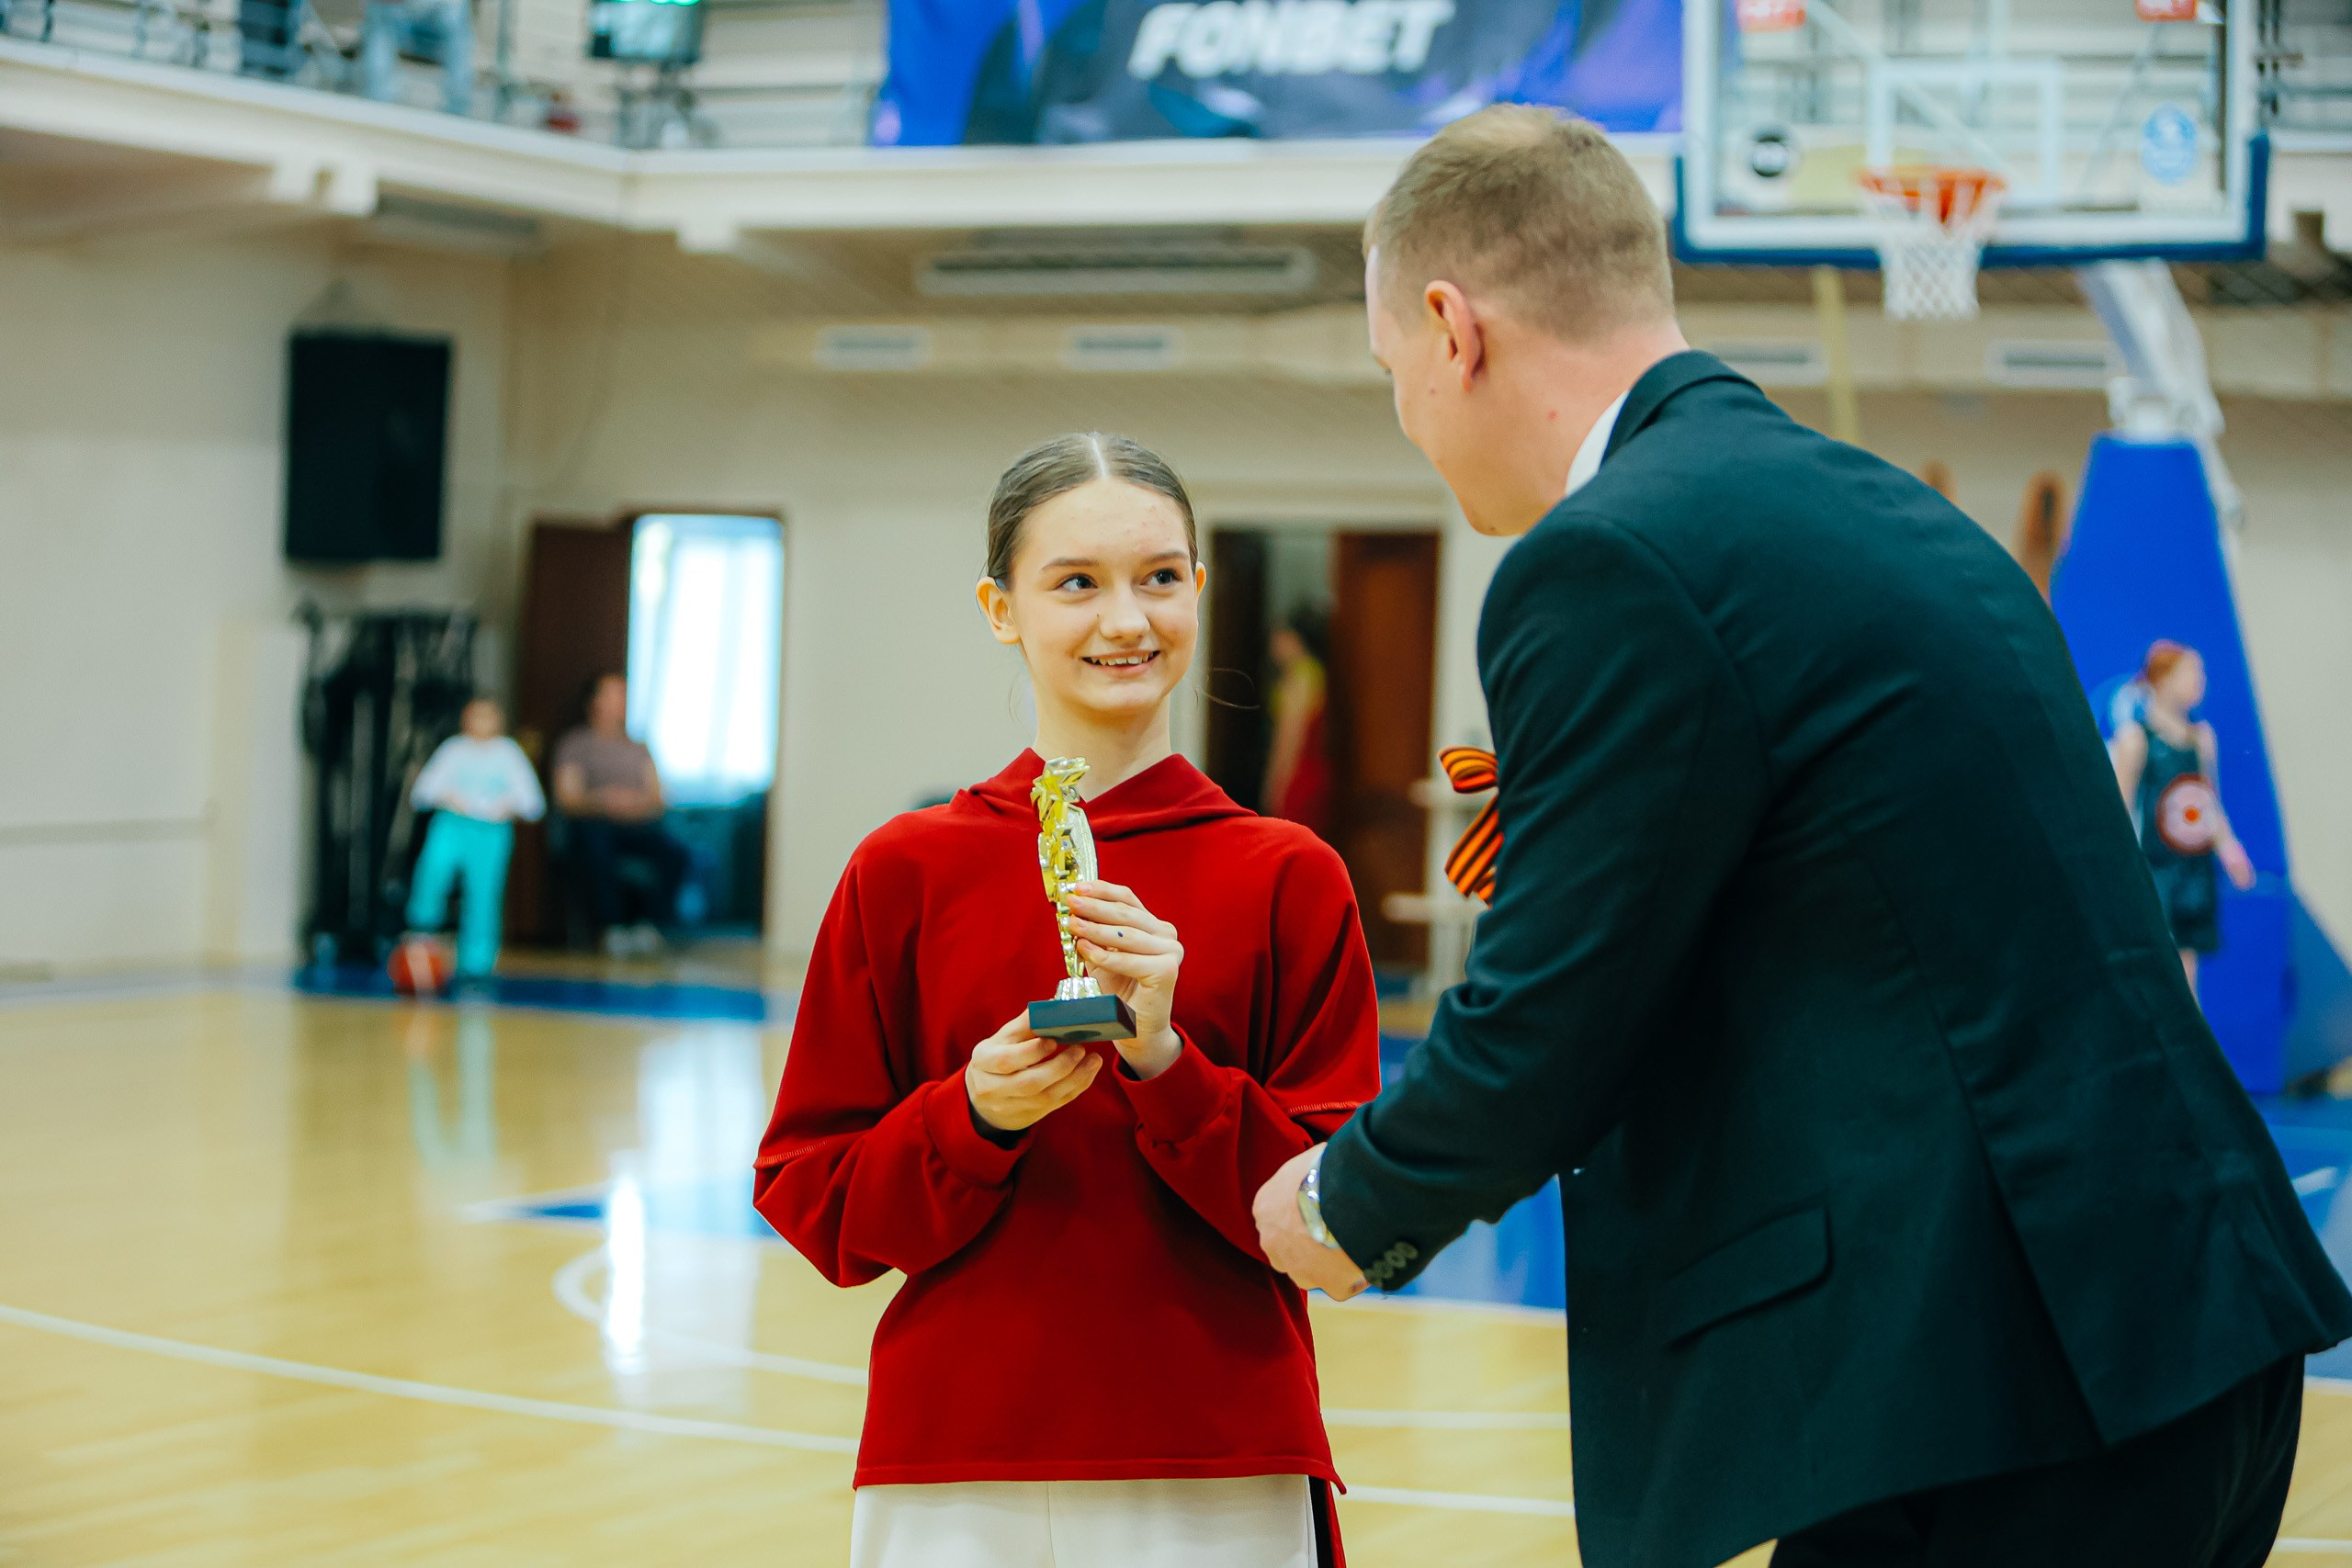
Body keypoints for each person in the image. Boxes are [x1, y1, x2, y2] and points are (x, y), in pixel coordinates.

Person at [1247, 107, 2352, 1568]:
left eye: (1395, 376)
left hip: (1996, 1381)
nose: (1410, 416)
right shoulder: (1878, 508)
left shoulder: (1609, 553)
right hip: (2182, 1312)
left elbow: (1552, 1020)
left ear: (1453, 329)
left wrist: (1342, 1199)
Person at [754, 433, 1382, 1568]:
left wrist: (1168, 1068)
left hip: (1219, 1458)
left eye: (1157, 577)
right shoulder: (903, 870)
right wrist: (973, 1117)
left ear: (1199, 588)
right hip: (953, 1464)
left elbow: (1341, 1225)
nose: (1125, 620)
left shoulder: (1292, 876)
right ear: (1002, 608)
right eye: (1076, 583)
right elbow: (816, 1203)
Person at [2111, 639, 2259, 992]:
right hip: (2157, 870)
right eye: (2191, 673)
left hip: (2194, 869)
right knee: (2160, 961)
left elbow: (2209, 803)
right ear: (2163, 680)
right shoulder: (2136, 740)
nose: (2200, 681)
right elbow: (2116, 814)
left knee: (2188, 961)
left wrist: (2230, 848)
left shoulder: (2202, 739)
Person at [405, 696, 544, 981]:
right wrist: (449, 798)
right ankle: (422, 934)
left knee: (483, 893)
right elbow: (423, 792)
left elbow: (532, 803)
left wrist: (505, 804)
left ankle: (476, 964)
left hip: (491, 833)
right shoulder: (453, 750)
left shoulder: (509, 753)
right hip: (452, 825)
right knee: (433, 871)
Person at [551, 672, 690, 956]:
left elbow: (657, 797)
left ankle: (649, 927)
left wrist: (635, 803)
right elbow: (568, 799)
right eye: (615, 694)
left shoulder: (638, 748)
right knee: (597, 846)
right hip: (594, 826)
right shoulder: (575, 744)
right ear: (595, 702)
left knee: (677, 853)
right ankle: (610, 928)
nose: (622, 701)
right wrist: (604, 800)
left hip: (637, 826)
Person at [1261, 610, 1335, 838]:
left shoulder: (1299, 677)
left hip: (1299, 775)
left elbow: (1290, 736)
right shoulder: (1313, 671)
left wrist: (1276, 783)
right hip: (1315, 771)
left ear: (1293, 639)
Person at [360, 0, 475, 116]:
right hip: (396, 11)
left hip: (443, 7)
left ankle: (457, 108)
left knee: (455, 15)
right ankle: (377, 104)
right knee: (380, 16)